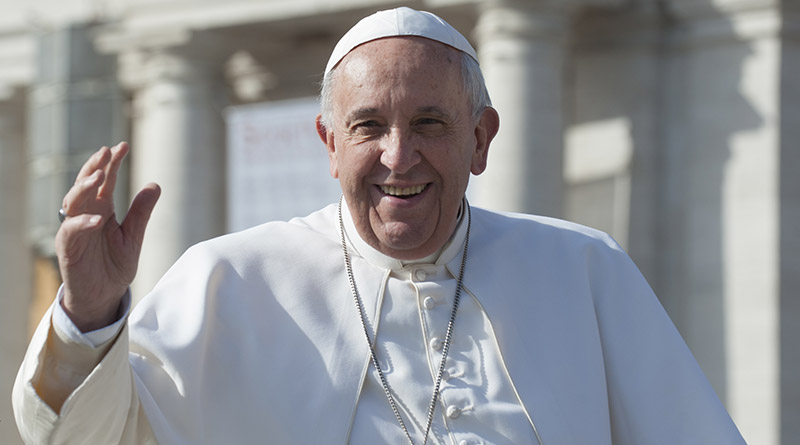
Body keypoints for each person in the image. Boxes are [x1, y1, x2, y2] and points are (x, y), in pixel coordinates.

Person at [13, 7, 744, 445]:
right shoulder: (229, 280)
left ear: (481, 138)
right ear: (331, 145)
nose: (400, 156)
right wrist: (91, 316)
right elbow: (83, 436)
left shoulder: (582, 269)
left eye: (430, 122)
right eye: (368, 126)